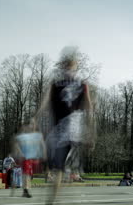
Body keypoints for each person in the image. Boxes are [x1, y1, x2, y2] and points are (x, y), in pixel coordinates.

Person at [35, 46, 96, 205]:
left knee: (58, 167)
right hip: (61, 130)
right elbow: (45, 103)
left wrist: (90, 131)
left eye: (70, 65)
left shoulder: (80, 84)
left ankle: (55, 194)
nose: (68, 68)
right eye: (68, 65)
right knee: (56, 166)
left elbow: (88, 106)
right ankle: (68, 171)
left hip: (69, 129)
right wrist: (37, 119)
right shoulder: (57, 84)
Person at [14, 120, 46, 198]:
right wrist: (20, 152)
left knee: (29, 174)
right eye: (31, 124)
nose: (33, 125)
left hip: (32, 157)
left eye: (34, 124)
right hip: (25, 157)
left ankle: (26, 190)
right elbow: (16, 144)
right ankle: (26, 190)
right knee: (26, 174)